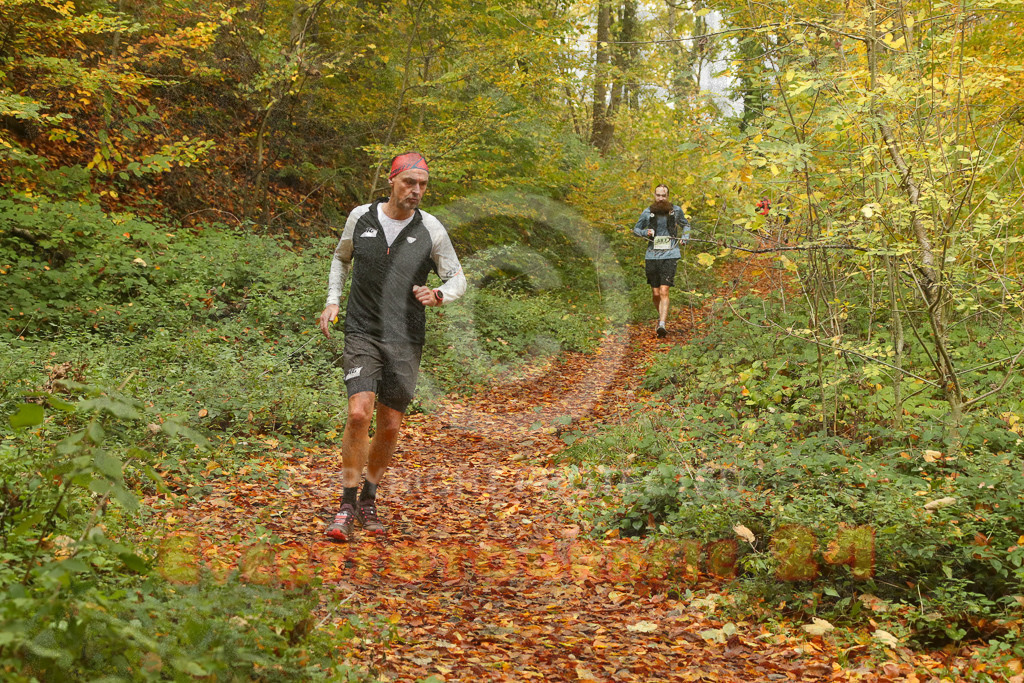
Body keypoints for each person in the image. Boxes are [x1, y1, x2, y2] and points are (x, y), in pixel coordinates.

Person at [318, 152, 466, 541]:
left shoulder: (430, 228)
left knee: (390, 425)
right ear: (392, 180)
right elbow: (341, 258)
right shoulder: (361, 217)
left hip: (405, 337)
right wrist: (333, 300)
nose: (416, 190)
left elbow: (457, 277)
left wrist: (439, 294)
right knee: (358, 414)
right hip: (362, 329)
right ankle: (346, 505)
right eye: (409, 182)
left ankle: (369, 498)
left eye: (422, 185)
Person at [632, 184, 691, 337]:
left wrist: (685, 237)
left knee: (664, 290)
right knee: (656, 293)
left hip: (671, 254)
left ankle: (662, 325)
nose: (660, 198)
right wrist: (645, 232)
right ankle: (660, 319)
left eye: (663, 195)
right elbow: (636, 230)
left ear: (668, 196)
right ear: (654, 196)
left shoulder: (676, 211)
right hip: (652, 255)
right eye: (658, 195)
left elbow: (686, 225)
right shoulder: (648, 212)